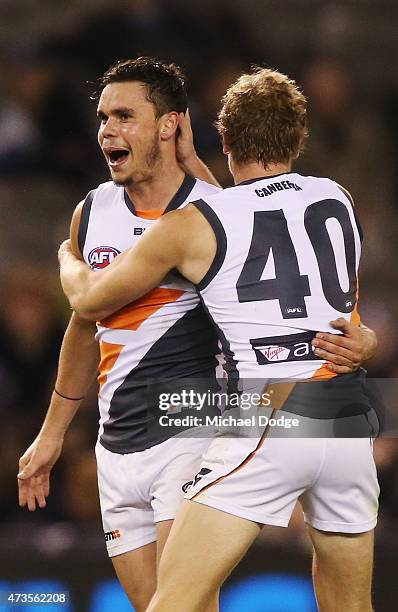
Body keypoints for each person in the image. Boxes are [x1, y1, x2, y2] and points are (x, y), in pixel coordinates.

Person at [58, 67, 380, 612]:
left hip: (273, 419)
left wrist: (68, 260)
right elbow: (280, 239)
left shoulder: (194, 223)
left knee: (174, 602)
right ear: (298, 138)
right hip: (346, 420)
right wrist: (367, 341)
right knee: (350, 605)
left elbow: (90, 302)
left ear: (223, 138)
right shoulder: (336, 198)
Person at [17, 57, 223, 612]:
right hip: (116, 448)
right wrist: (53, 434)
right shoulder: (93, 210)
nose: (108, 128)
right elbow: (85, 325)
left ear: (169, 125)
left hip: (189, 434)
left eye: (125, 115)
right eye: (104, 116)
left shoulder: (212, 215)